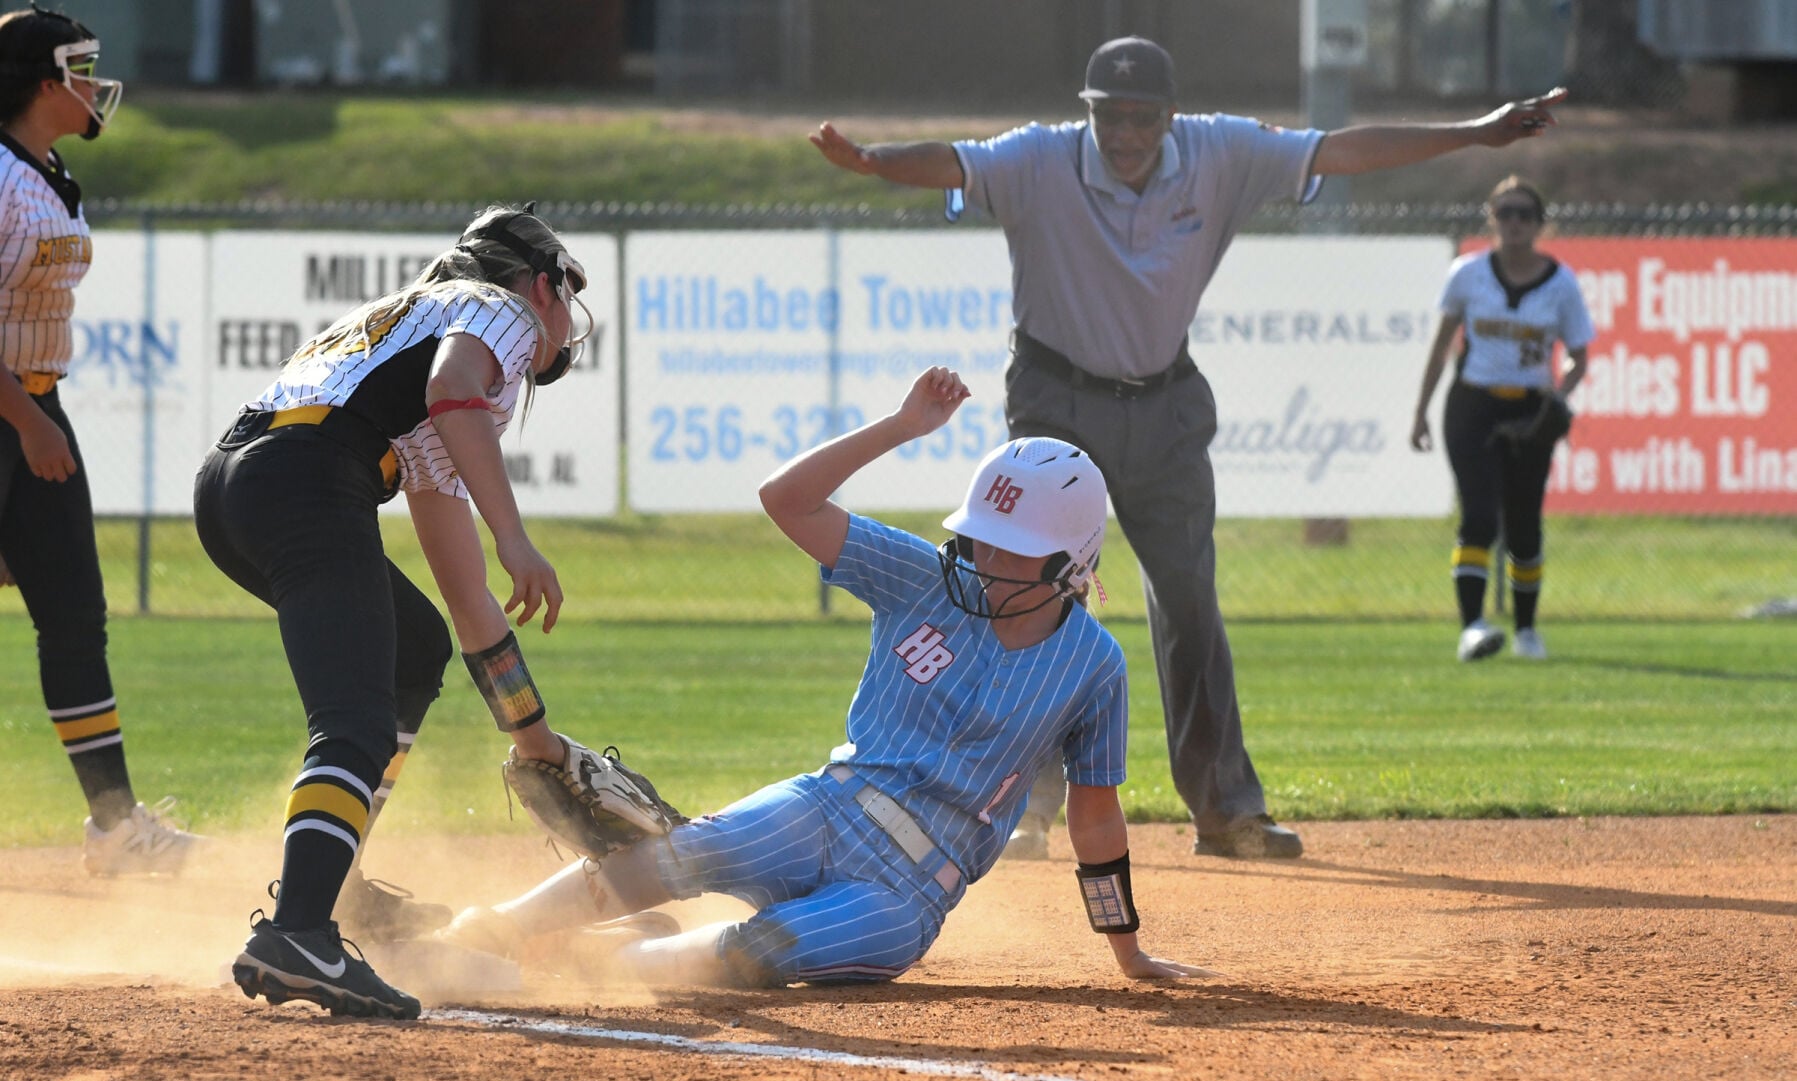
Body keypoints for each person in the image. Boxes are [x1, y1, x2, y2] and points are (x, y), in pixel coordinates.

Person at [809, 36, 1568, 861]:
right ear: (1087, 111)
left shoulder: (1220, 150)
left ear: (1169, 116)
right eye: (1110, 114)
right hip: (1054, 398)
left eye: (1142, 115)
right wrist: (873, 161)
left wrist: (1475, 132)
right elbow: (951, 164)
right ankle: (1018, 804)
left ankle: (1225, 812)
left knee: (1189, 601)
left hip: (1164, 404)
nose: (1126, 132)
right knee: (1024, 593)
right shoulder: (1039, 159)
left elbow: (1342, 150)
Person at [437, 368, 1214, 988]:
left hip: (908, 893)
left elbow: (1096, 818)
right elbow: (786, 498)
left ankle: (598, 963)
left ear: (1069, 563)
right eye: (979, 538)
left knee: (759, 954)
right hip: (827, 804)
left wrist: (1127, 949)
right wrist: (903, 428)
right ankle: (488, 930)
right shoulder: (921, 577)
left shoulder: (1092, 665)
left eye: (1011, 549)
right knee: (681, 856)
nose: (983, 558)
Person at [196, 204, 601, 1019]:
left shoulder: (416, 344)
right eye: (561, 291)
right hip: (305, 483)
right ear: (538, 282)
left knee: (416, 647)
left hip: (238, 486)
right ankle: (301, 932)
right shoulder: (500, 309)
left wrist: (536, 740)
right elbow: (456, 388)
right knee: (353, 725)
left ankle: (332, 880)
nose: (560, 314)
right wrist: (516, 536)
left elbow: (467, 600)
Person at [0, 7, 202, 876]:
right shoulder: (4, 181)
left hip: (36, 413)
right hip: (19, 417)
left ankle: (116, 830)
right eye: (79, 68)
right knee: (71, 618)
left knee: (75, 619)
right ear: (44, 82)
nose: (94, 83)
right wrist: (26, 422)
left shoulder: (44, 169)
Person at [1410, 176, 1592, 662]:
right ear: (1491, 217)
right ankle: (1472, 627)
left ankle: (1528, 630)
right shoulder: (1468, 273)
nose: (1514, 222)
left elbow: (1579, 354)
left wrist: (1560, 395)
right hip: (1473, 405)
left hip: (1530, 409)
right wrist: (1421, 410)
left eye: (1524, 214)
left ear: (1539, 223)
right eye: (1505, 212)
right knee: (1479, 515)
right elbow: (1442, 344)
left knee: (1525, 524)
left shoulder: (1561, 282)